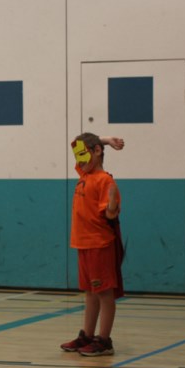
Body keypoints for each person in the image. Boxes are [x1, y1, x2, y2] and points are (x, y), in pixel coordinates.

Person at [60, 133, 125, 356]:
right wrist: (106, 141)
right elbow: (77, 145)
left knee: (104, 293)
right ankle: (87, 335)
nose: (79, 160)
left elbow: (109, 214)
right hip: (83, 244)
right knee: (90, 292)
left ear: (95, 152)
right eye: (76, 156)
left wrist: (112, 207)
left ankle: (104, 340)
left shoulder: (104, 180)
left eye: (83, 154)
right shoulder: (84, 173)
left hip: (99, 245)